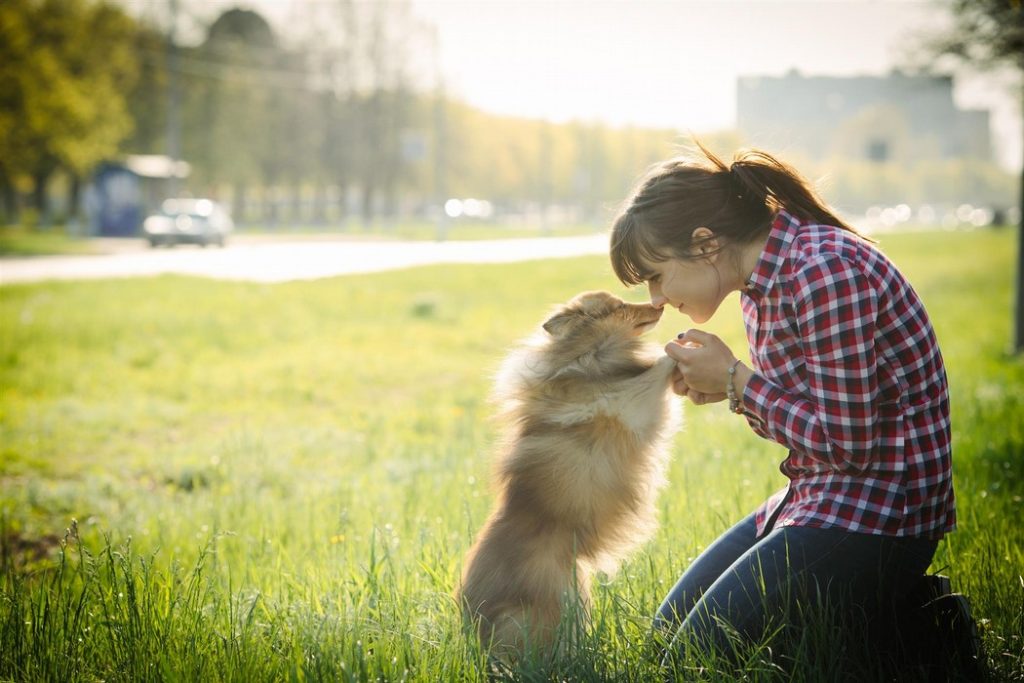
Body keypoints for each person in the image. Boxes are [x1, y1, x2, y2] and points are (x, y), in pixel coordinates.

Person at [608, 143, 977, 674]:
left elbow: (849, 445)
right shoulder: (762, 284)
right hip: (816, 498)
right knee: (667, 639)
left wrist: (738, 380)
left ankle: (913, 632)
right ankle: (899, 629)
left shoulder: (823, 271)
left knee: (693, 660)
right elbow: (810, 415)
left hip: (877, 520)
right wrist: (730, 390)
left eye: (656, 274)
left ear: (705, 244)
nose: (657, 298)